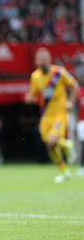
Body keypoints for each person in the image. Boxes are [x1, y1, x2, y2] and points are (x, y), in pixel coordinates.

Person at [26, 48, 78, 183]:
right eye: (39, 58)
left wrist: (70, 102)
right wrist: (30, 98)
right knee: (50, 146)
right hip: (45, 115)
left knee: (52, 141)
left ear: (49, 59)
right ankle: (64, 171)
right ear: (36, 61)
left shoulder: (58, 73)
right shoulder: (35, 77)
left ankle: (68, 145)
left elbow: (74, 85)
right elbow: (35, 94)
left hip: (59, 113)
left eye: (44, 58)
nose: (42, 60)